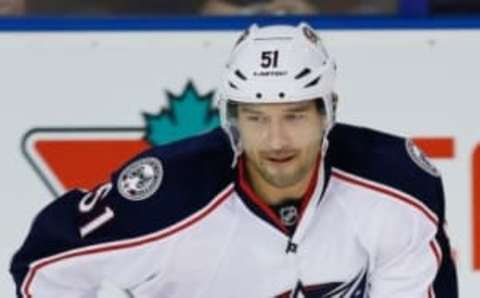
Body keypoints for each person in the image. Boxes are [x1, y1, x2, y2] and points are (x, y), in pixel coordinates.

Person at [10, 23, 458, 297]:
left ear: (329, 113)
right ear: (233, 119)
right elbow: (44, 270)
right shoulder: (167, 198)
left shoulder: (396, 189)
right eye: (256, 117)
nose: (276, 139)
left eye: (296, 115)